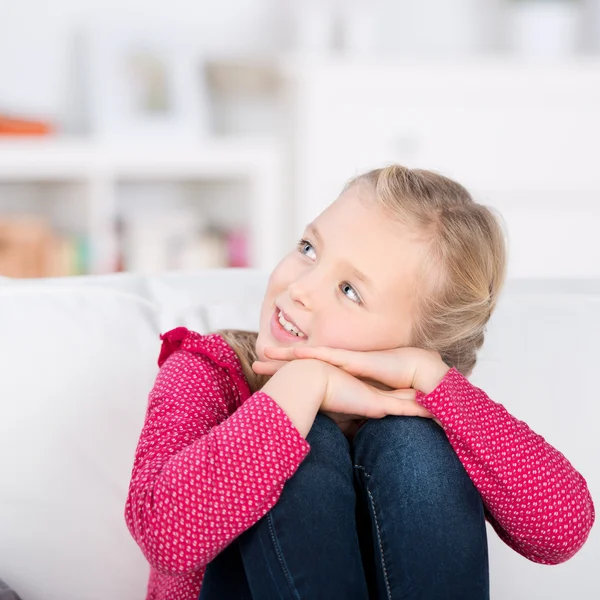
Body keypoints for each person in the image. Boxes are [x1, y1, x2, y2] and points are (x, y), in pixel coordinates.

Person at [125, 165, 595, 600]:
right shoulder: (209, 372)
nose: (300, 288)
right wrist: (300, 385)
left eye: (350, 291)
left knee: (413, 442)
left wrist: (434, 380)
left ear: (411, 346)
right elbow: (165, 537)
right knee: (311, 441)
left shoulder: (427, 409)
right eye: (309, 248)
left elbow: (563, 530)